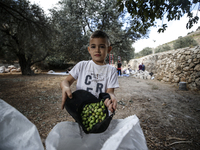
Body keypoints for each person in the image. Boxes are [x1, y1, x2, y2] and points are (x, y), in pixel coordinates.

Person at [60, 30, 119, 113]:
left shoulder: (111, 71)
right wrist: (65, 87)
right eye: (93, 46)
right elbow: (66, 81)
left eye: (102, 46)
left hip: (101, 112)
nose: (97, 50)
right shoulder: (82, 65)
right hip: (81, 110)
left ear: (109, 49)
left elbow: (110, 92)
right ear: (89, 49)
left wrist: (111, 97)